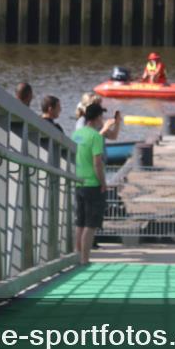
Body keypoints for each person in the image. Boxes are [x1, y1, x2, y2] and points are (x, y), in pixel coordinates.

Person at [72, 102, 108, 265]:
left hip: (79, 182)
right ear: (96, 118)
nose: (103, 119)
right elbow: (97, 163)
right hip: (93, 184)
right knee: (91, 224)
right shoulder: (96, 137)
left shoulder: (77, 134)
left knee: (80, 222)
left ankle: (77, 256)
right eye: (102, 116)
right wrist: (103, 183)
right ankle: (85, 259)